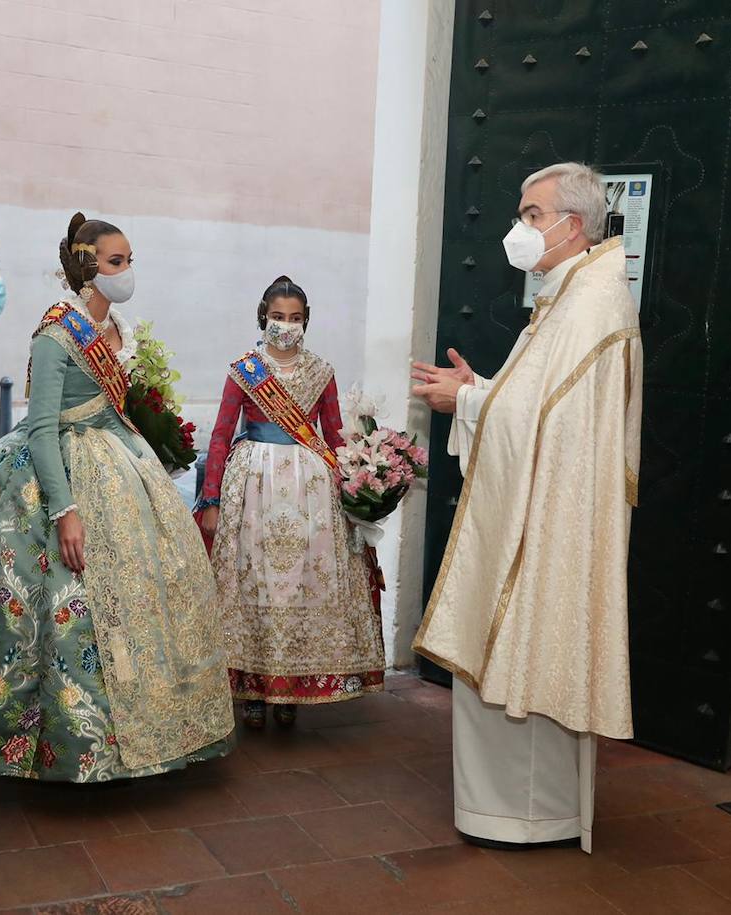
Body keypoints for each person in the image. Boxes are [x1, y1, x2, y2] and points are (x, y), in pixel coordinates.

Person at [0, 213, 233, 782]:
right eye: (117, 262)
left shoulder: (118, 328)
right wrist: (65, 510)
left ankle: (164, 728)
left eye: (129, 260)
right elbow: (42, 427)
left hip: (123, 466)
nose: (127, 272)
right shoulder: (55, 333)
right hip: (63, 474)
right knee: (68, 611)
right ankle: (72, 746)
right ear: (87, 266)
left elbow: (117, 406)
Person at [411, 162, 643, 854]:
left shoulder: (592, 304)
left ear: (572, 225)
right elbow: (538, 408)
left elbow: (558, 429)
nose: (520, 228)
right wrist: (480, 389)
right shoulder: (566, 292)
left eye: (531, 215)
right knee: (498, 658)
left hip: (552, 530)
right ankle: (503, 810)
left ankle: (530, 816)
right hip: (535, 509)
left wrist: (471, 400)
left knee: (529, 656)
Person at [198, 277, 383, 729]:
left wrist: (361, 488)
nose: (286, 326)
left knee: (299, 582)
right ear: (264, 317)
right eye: (278, 318)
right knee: (254, 582)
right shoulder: (245, 369)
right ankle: (254, 687)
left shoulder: (322, 371)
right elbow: (221, 434)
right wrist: (212, 498)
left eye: (295, 319)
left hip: (311, 493)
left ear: (306, 322)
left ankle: (291, 689)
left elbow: (336, 434)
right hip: (253, 488)